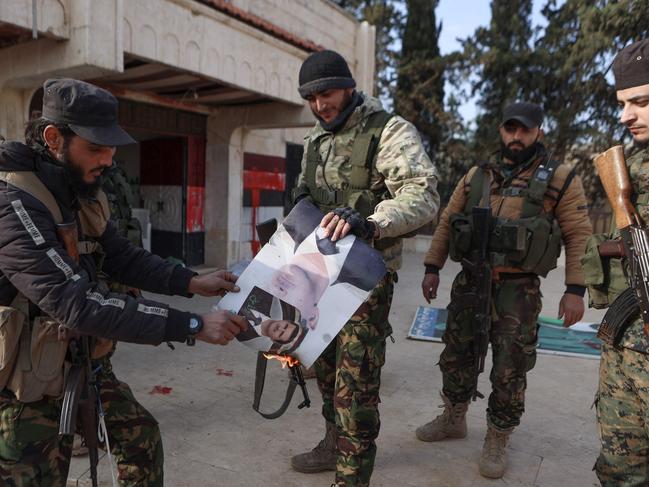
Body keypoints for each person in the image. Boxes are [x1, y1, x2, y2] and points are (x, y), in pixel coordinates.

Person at [0, 78, 248, 486]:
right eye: (96, 148)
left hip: (80, 360)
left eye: (111, 148)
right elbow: (76, 302)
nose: (109, 160)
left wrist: (191, 282)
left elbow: (118, 256)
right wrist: (192, 324)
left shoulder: (79, 191)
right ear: (53, 137)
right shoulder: (14, 203)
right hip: (25, 384)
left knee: (140, 441)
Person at [416, 101, 592, 479]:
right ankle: (454, 416)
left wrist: (575, 289)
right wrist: (432, 266)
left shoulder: (559, 177)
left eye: (524, 130)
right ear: (501, 131)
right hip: (470, 281)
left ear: (538, 132)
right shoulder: (478, 175)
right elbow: (447, 221)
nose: (517, 136)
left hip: (519, 289)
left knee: (511, 365)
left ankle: (498, 435)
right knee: (457, 353)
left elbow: (579, 234)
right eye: (510, 129)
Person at [289, 50, 440, 487]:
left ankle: (352, 476)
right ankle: (333, 443)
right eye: (311, 98)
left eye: (327, 94)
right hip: (318, 275)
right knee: (326, 368)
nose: (320, 106)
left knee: (354, 384)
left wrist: (370, 223)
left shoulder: (388, 131)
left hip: (363, 279)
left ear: (349, 86)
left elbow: (423, 196)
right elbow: (304, 195)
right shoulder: (315, 139)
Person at [586, 38, 649, 486]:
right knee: (620, 469)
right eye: (623, 103)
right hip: (626, 353)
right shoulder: (633, 164)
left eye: (641, 102)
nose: (626, 115)